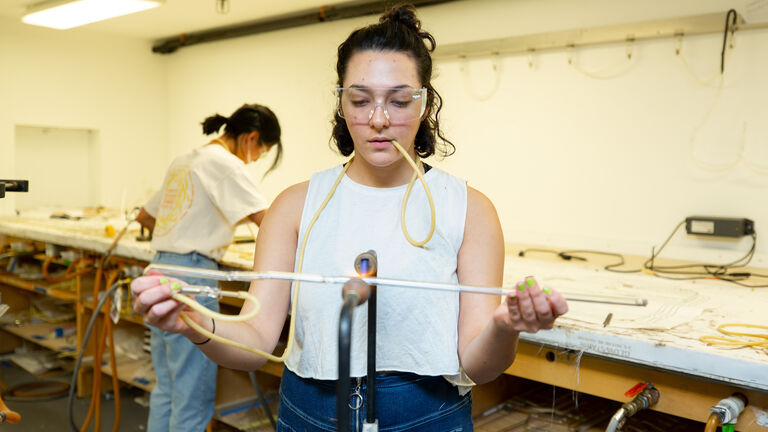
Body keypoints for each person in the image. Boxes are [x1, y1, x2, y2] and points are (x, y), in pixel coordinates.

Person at [132, 5, 567, 431]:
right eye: (360, 100)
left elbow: (479, 365)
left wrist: (506, 327)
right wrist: (189, 322)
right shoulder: (295, 205)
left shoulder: (469, 210)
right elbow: (254, 341)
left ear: (425, 104)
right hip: (308, 412)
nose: (378, 120)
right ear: (341, 103)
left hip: (426, 416)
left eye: (398, 101)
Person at [135, 103, 282, 432]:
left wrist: (195, 223)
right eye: (263, 151)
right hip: (193, 275)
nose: (257, 159)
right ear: (251, 138)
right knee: (193, 395)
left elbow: (145, 216)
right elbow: (270, 221)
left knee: (167, 388)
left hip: (159, 270)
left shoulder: (185, 159)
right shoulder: (226, 164)